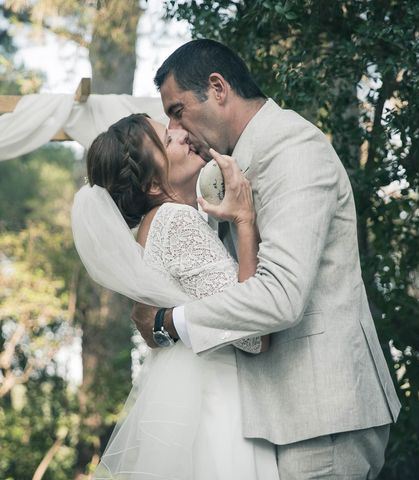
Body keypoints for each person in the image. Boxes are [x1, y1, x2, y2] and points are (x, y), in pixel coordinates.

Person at [131, 38, 402, 479]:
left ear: (217, 89)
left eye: (177, 110)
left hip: (322, 417)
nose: (176, 130)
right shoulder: (233, 166)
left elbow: (280, 297)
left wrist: (169, 323)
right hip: (288, 417)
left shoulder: (293, 150)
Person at [71, 113, 279, 479]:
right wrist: (245, 221)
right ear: (153, 184)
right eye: (168, 139)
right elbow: (253, 333)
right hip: (219, 408)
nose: (183, 136)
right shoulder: (175, 221)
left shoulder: (157, 225)